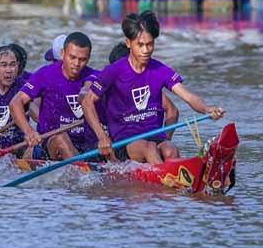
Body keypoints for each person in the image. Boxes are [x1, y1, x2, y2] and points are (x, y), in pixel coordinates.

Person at [81, 12, 224, 164]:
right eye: (140, 45)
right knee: (149, 148)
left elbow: (188, 96)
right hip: (124, 141)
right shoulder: (113, 71)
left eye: (150, 44)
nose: (146, 50)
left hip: (154, 135)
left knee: (170, 149)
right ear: (128, 43)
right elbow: (87, 102)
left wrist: (206, 109)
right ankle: (166, 183)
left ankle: (175, 181)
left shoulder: (159, 69)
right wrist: (102, 138)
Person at [11, 32, 98, 160]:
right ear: (62, 54)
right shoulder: (45, 74)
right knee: (61, 138)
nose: (76, 64)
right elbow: (15, 103)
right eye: (72, 57)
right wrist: (29, 132)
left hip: (84, 143)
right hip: (49, 142)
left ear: (88, 58)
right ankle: (83, 175)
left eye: (82, 59)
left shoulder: (93, 75)